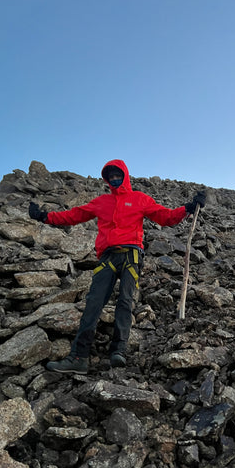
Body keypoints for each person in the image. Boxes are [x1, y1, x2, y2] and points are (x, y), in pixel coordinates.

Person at [29, 159, 206, 374]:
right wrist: (44, 217)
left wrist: (187, 208)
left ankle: (118, 352)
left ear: (125, 175)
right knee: (93, 303)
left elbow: (165, 217)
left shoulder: (139, 199)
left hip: (131, 255)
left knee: (125, 301)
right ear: (107, 179)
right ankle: (79, 357)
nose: (114, 179)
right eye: (110, 176)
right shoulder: (102, 201)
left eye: (117, 175)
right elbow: (74, 215)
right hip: (107, 257)